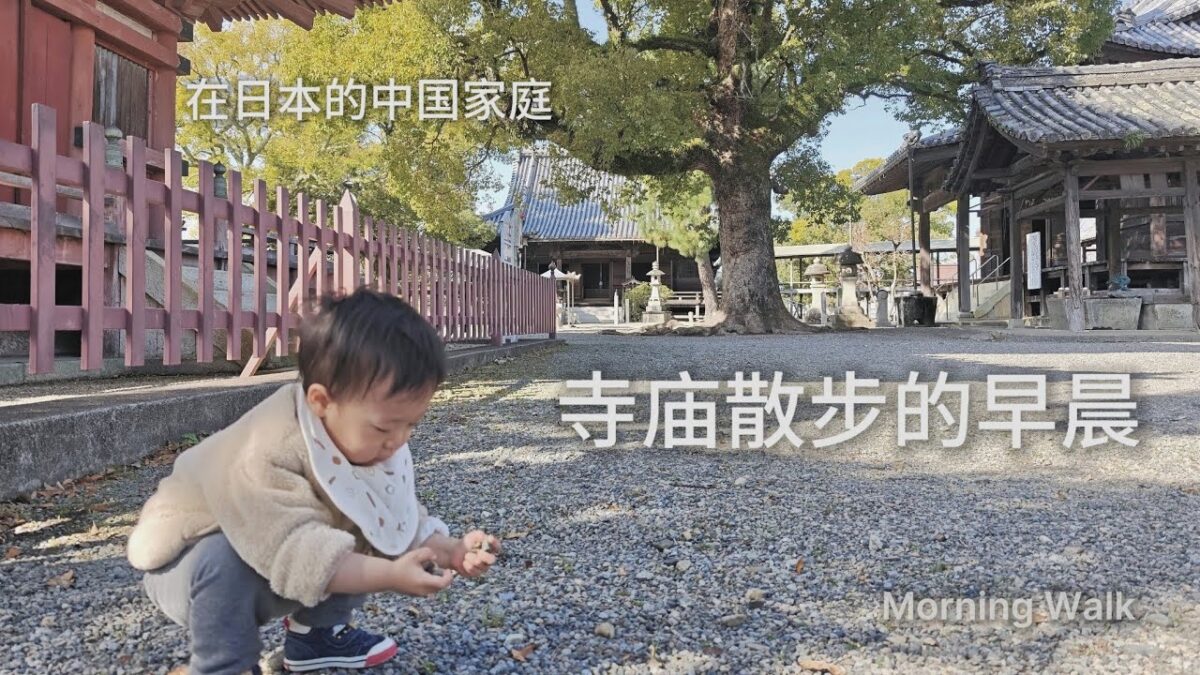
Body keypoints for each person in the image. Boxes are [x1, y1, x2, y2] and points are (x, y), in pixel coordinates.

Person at [126, 288, 500, 674]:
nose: (400, 440)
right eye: (387, 426)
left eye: (411, 425)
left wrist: (451, 550)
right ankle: (223, 666)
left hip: (281, 550)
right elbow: (299, 551)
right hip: (186, 564)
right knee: (224, 559)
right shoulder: (268, 444)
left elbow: (393, 518)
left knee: (352, 523)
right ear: (321, 401)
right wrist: (389, 575)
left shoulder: (363, 440)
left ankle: (315, 637)